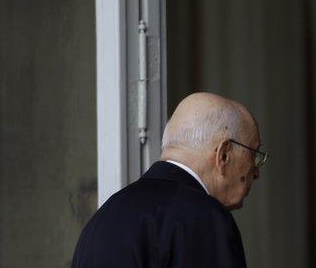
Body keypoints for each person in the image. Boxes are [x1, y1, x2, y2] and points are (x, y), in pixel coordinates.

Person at [72, 92, 268, 268]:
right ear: (224, 154)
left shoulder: (103, 218)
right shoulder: (203, 217)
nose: (256, 172)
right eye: (254, 156)